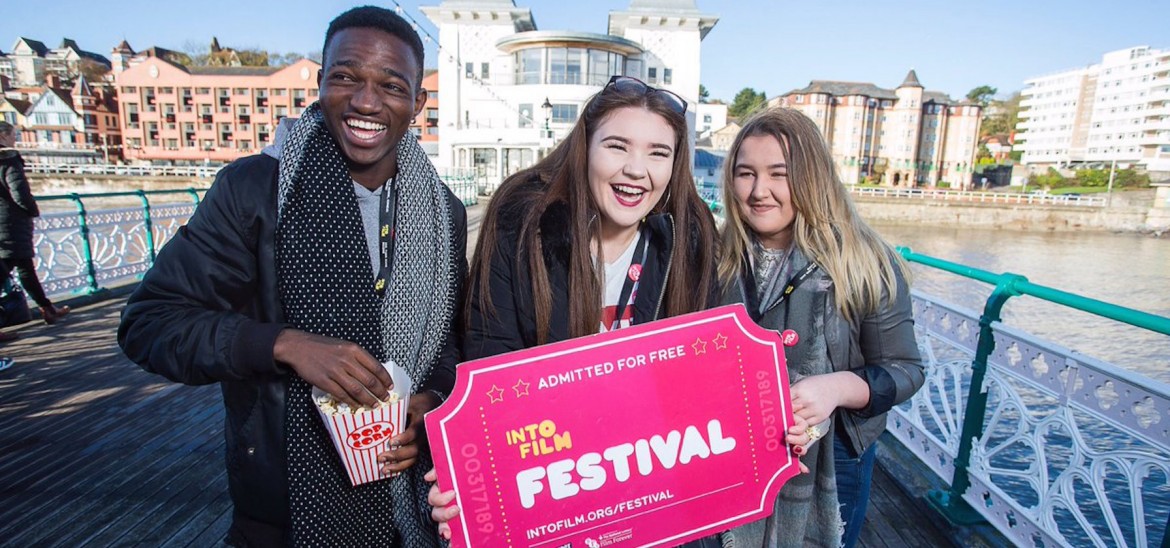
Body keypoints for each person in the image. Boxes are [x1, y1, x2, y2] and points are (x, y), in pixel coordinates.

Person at [118, 6, 465, 546]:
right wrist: (283, 344)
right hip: (280, 514)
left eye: (392, 86)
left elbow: (446, 345)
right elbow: (150, 323)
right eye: (345, 76)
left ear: (417, 104)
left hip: (405, 513)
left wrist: (428, 406)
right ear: (321, 82)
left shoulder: (443, 211)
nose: (366, 101)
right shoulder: (253, 190)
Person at [425, 77, 815, 542]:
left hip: (648, 494)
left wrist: (778, 423)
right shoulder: (521, 223)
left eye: (658, 153)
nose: (637, 170)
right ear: (585, 147)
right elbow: (490, 367)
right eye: (617, 146)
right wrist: (472, 485)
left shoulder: (691, 239)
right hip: (552, 488)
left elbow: (709, 383)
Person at [716, 107, 925, 547]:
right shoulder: (715, 259)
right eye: (745, 173)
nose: (759, 192)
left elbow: (905, 370)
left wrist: (836, 389)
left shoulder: (865, 262)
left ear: (812, 177)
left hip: (834, 458)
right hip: (732, 453)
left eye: (780, 174)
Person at [0, 121, 70, 333]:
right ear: (3, 136)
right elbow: (19, 192)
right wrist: (31, 210)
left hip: (6, 226)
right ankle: (46, 309)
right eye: (13, 134)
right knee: (9, 271)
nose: (15, 139)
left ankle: (47, 308)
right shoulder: (8, 160)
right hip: (10, 224)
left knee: (24, 269)